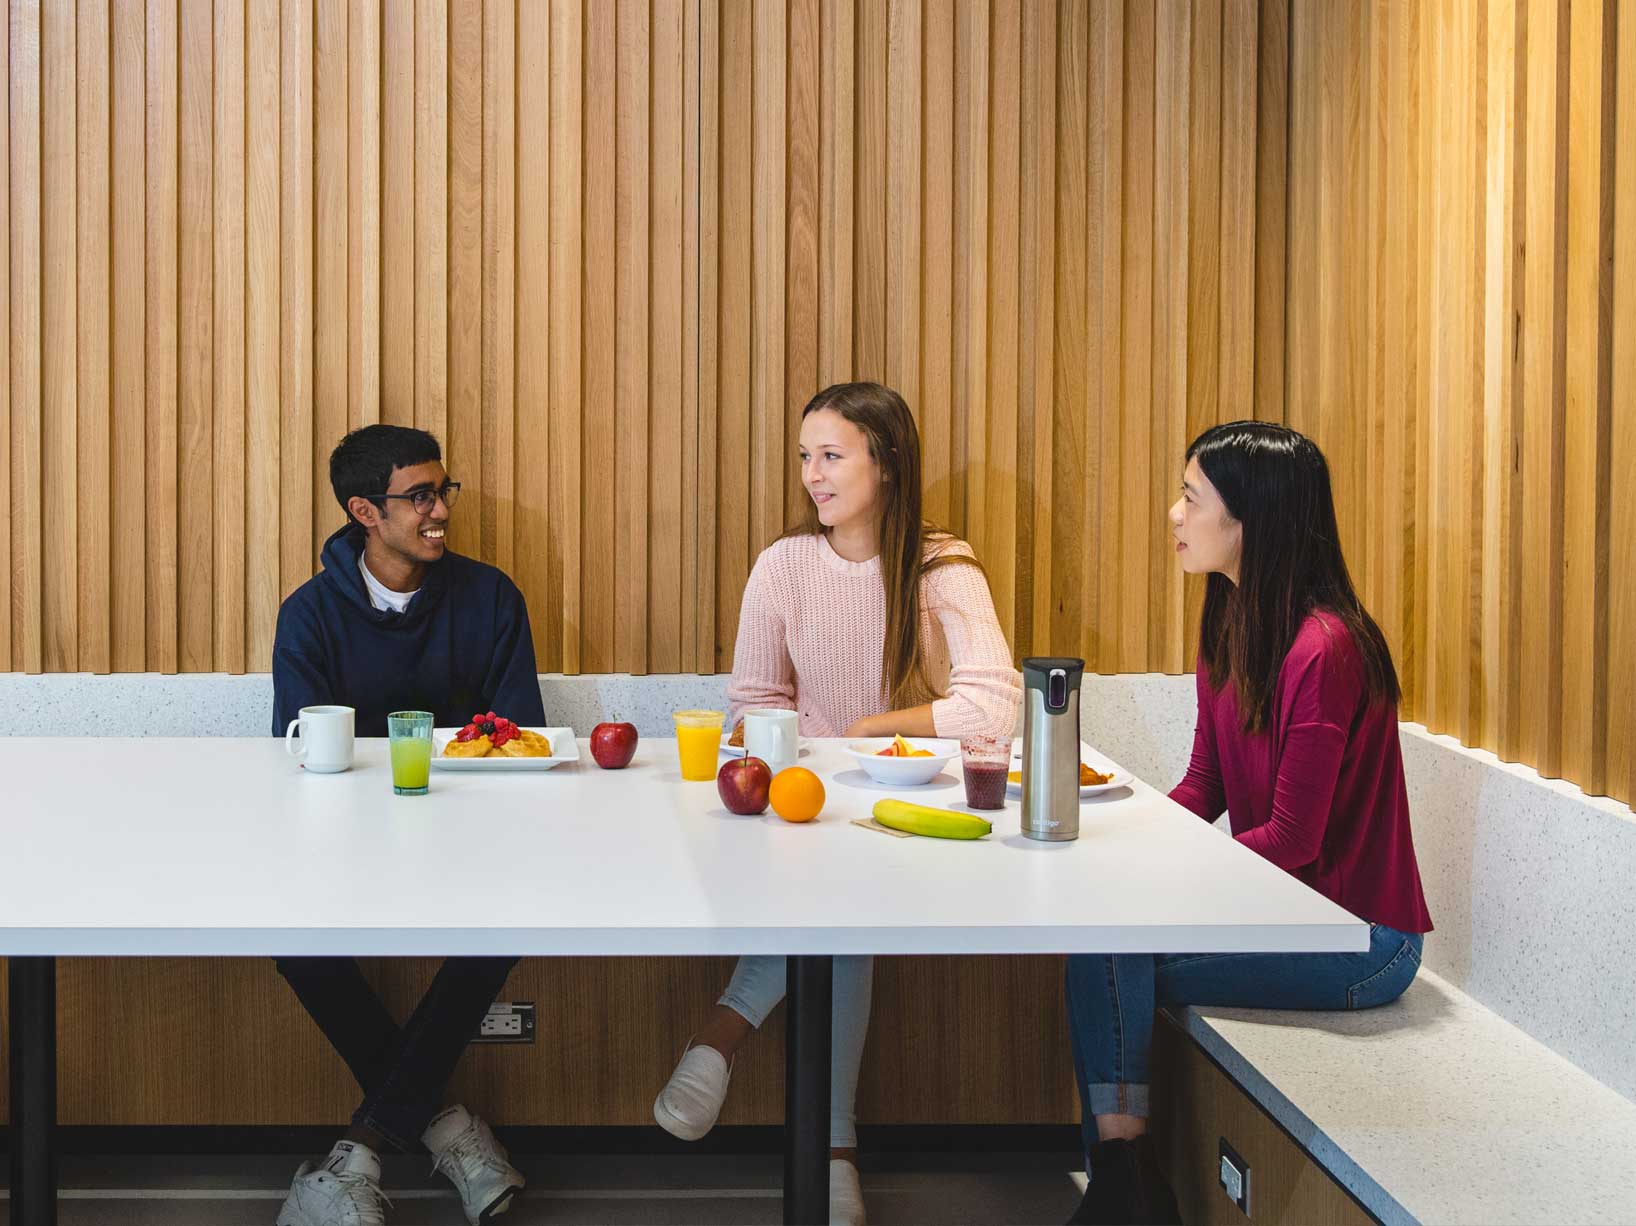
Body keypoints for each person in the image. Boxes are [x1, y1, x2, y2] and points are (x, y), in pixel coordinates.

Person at [651, 382, 1022, 1226]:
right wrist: (811, 759)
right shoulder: (784, 565)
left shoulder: (943, 566)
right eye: (805, 458)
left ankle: (723, 1037)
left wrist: (871, 728)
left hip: (910, 806)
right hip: (801, 803)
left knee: (848, 901)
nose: (813, 477)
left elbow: (994, 706)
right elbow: (752, 701)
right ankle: (834, 1150)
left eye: (833, 456)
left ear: (885, 463)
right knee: (839, 903)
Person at [1064, 421, 1433, 1225]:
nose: (1173, 513)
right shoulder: (1230, 624)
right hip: (1282, 910)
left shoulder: (1325, 649)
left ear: (1249, 521)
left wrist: (1155, 873)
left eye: (1191, 498)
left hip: (1361, 939)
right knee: (1102, 932)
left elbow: (1295, 840)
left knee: (1109, 952)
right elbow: (1205, 786)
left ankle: (1119, 1182)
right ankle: (1123, 1178)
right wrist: (1118, 845)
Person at [273, 424, 545, 1226]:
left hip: (467, 834)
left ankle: (358, 1153)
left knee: (506, 924)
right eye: (418, 497)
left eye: (441, 491)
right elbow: (298, 748)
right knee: (294, 942)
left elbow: (517, 735)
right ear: (366, 510)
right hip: (343, 841)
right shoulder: (309, 614)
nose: (439, 511)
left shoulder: (492, 596)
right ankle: (447, 1129)